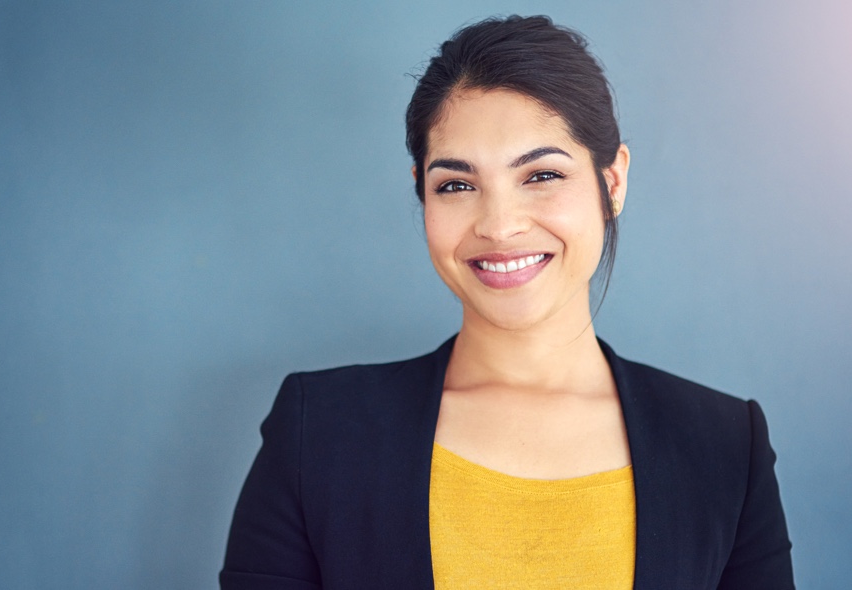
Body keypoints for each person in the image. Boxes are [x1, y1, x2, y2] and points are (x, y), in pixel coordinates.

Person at [220, 15, 794, 590]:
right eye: (457, 185)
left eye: (541, 175)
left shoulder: (726, 447)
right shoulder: (318, 431)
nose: (498, 226)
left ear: (613, 183)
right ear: (422, 191)